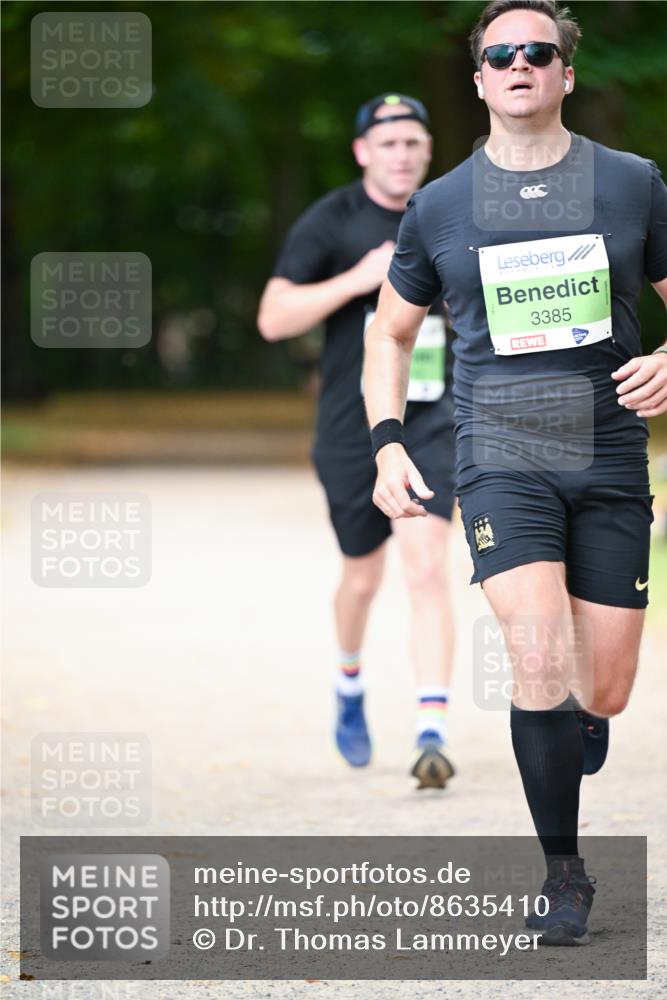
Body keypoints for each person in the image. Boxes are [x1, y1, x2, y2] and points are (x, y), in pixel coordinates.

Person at [364, 0, 667, 945]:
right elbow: (390, 331)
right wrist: (386, 440)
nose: (519, 63)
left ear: (566, 73)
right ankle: (563, 875)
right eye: (501, 54)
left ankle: (579, 720)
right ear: (480, 80)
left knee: (602, 688)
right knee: (535, 655)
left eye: (539, 51)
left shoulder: (631, 183)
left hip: (608, 452)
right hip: (498, 455)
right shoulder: (440, 205)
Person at [258, 94, 458, 789]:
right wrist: (357, 279)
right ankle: (349, 682)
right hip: (351, 426)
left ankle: (431, 730)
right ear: (362, 152)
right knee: (363, 578)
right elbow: (273, 319)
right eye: (388, 144)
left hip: (431, 418)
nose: (402, 155)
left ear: (428, 150)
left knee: (426, 566)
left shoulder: (450, 210)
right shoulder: (333, 219)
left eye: (413, 143)